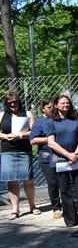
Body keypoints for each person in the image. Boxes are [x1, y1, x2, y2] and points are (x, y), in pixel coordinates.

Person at [47, 93, 78, 227]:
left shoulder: (76, 119)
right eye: (62, 103)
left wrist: (77, 152)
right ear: (56, 105)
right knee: (65, 189)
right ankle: (71, 219)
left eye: (67, 103)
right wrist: (68, 155)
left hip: (77, 158)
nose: (66, 105)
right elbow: (51, 143)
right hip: (60, 159)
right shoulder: (51, 121)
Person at [0, 92, 38, 220]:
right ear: (6, 104)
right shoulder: (1, 115)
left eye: (14, 101)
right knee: (11, 181)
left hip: (24, 150)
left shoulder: (27, 114)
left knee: (28, 180)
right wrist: (5, 136)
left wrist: (20, 136)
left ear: (19, 101)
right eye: (9, 102)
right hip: (7, 151)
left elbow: (34, 132)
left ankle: (32, 206)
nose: (12, 104)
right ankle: (15, 210)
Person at [29, 99, 61, 219]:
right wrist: (49, 139)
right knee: (53, 183)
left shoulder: (58, 118)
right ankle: (56, 207)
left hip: (62, 155)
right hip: (47, 156)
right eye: (48, 107)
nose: (51, 109)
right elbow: (32, 140)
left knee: (65, 181)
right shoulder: (39, 122)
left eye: (53, 107)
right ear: (42, 109)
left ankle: (71, 205)